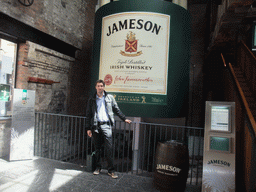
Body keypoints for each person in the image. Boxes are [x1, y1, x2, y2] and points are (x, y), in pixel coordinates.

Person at [86, 79, 131, 179]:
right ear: (96, 87)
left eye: (101, 86)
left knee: (109, 148)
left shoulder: (110, 97)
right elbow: (88, 114)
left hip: (107, 126)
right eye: (98, 86)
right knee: (97, 148)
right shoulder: (92, 99)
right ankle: (98, 167)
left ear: (104, 87)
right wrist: (88, 128)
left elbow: (116, 109)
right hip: (96, 126)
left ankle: (111, 170)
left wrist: (124, 118)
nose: (100, 87)